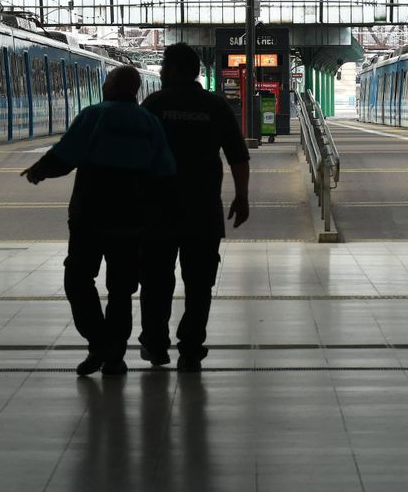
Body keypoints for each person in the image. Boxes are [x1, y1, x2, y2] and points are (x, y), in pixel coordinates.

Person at [22, 65, 175, 376]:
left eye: (107, 80)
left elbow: (67, 154)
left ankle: (98, 342)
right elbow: (165, 171)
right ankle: (114, 354)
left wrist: (40, 170)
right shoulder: (149, 122)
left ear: (113, 86)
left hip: (90, 215)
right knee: (121, 289)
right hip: (133, 219)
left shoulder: (95, 115)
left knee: (77, 279)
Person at [139, 43, 250, 372]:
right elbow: (238, 155)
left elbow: (135, 152)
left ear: (172, 70)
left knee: (156, 279)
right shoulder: (214, 105)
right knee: (200, 282)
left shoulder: (154, 104)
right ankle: (191, 345)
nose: (160, 72)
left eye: (162, 66)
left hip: (158, 208)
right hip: (203, 208)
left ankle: (156, 344)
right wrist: (242, 196)